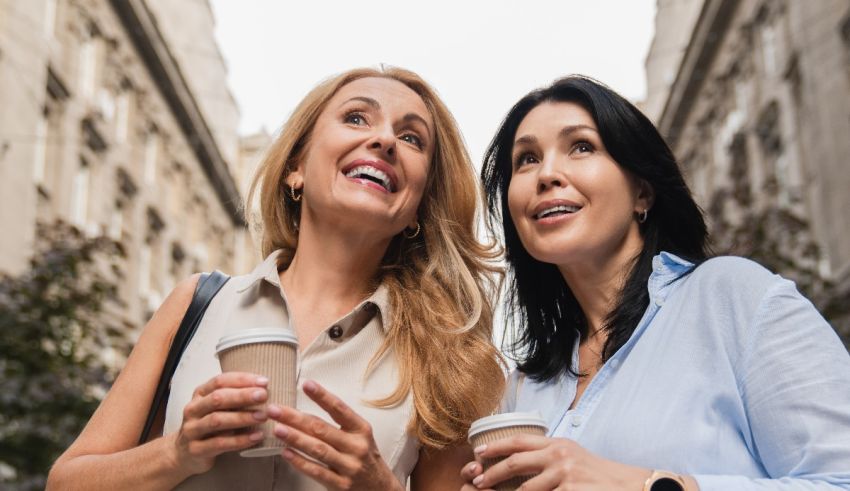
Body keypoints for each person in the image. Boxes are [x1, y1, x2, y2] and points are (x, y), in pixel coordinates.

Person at [47, 66, 506, 490]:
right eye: (357, 118)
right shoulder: (198, 302)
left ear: (417, 207)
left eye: (411, 138)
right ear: (296, 169)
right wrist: (178, 452)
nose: (385, 139)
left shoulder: (451, 357)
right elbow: (65, 482)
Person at [461, 75, 850, 490]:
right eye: (527, 159)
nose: (547, 173)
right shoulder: (524, 386)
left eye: (581, 147)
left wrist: (648, 485)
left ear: (642, 193)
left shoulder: (733, 297)